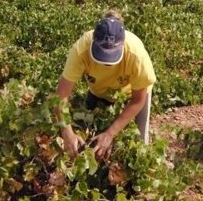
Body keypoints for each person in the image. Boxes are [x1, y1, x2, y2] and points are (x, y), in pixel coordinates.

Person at [55, 10, 156, 160]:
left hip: (130, 96)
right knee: (86, 139)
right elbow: (61, 96)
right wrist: (67, 133)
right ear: (93, 41)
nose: (106, 63)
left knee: (140, 144)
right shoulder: (81, 50)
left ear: (122, 45)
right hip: (98, 91)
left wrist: (110, 133)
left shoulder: (136, 55)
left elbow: (138, 100)